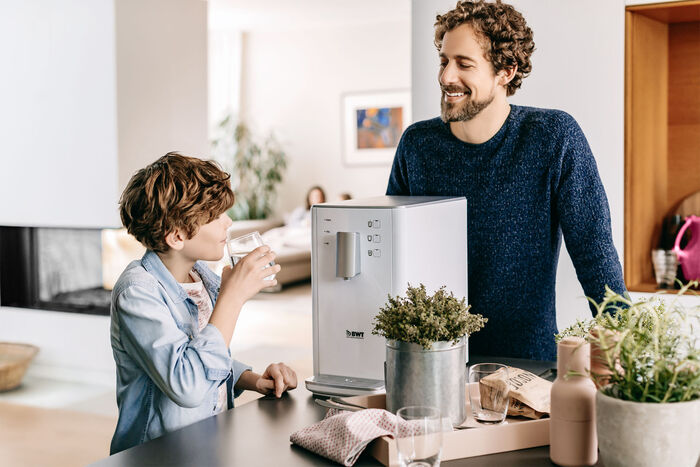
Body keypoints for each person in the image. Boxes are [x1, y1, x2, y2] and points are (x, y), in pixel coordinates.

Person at [386, 0, 626, 361]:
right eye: (443, 61)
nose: (446, 76)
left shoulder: (554, 137)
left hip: (529, 368)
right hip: (429, 364)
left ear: (506, 70)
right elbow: (390, 256)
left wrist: (626, 354)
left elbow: (595, 254)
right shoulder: (417, 145)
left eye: (464, 64)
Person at [110, 153, 297, 454]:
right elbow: (187, 383)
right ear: (177, 235)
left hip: (207, 446)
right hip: (158, 456)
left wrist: (251, 379)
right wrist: (231, 298)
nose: (229, 221)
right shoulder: (137, 293)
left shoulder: (200, 277)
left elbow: (199, 351)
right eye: (215, 215)